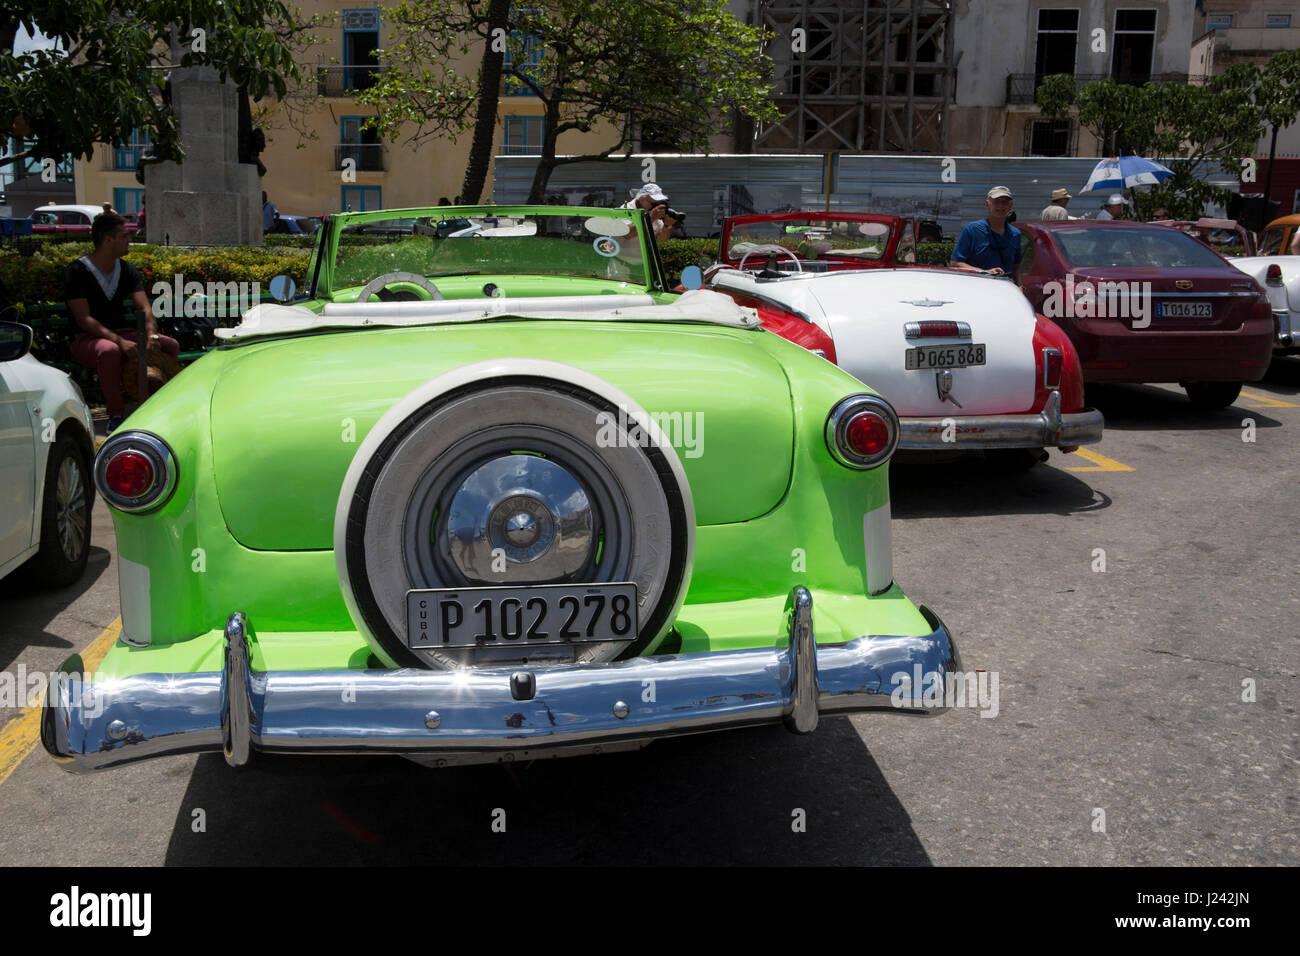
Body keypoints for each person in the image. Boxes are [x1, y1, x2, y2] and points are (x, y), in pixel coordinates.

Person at [65, 213, 180, 433]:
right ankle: (116, 415)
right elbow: (84, 319)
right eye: (125, 235)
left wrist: (151, 333)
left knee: (169, 345)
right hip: (87, 339)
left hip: (124, 333)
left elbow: (144, 308)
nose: (130, 239)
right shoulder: (77, 272)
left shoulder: (126, 270)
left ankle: (160, 406)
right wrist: (118, 341)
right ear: (108, 239)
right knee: (109, 351)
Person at [949, 186, 1022, 281]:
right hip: (978, 288)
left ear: (1010, 205)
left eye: (1004, 202)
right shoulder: (972, 230)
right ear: (987, 204)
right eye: (996, 202)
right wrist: (985, 272)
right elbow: (955, 263)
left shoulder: (1016, 234)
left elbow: (1016, 266)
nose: (1000, 206)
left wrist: (1020, 285)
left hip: (1006, 291)